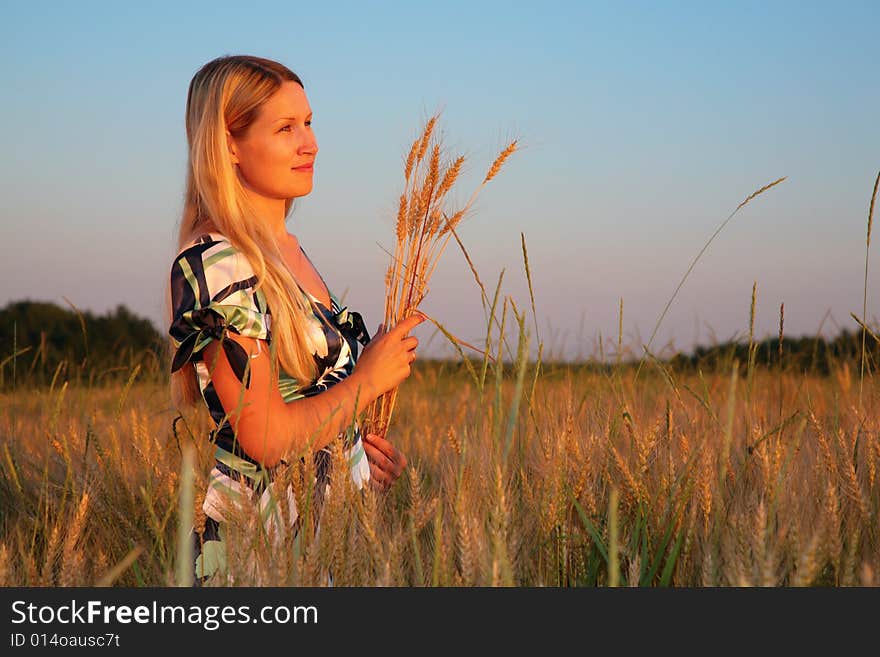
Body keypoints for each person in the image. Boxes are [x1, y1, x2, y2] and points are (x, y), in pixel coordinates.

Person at [166, 55, 423, 584]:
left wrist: (357, 462)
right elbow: (265, 437)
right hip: (258, 552)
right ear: (229, 145)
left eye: (308, 123)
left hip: (320, 549)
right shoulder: (221, 261)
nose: (310, 143)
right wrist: (368, 380)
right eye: (286, 128)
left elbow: (308, 412)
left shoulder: (288, 252)